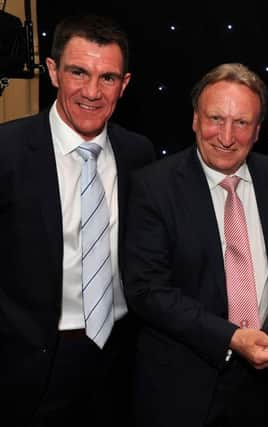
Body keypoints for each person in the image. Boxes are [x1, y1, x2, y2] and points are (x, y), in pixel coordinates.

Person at [123, 63, 268, 427]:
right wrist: (232, 338)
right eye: (215, 119)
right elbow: (147, 290)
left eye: (241, 123)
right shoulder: (153, 186)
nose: (226, 136)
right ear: (195, 119)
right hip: (184, 387)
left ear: (257, 131)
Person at [0, 14, 155, 426]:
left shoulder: (139, 155)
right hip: (27, 368)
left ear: (124, 85)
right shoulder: (7, 151)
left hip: (120, 360)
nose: (92, 92)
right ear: (53, 72)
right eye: (78, 73)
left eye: (107, 78)